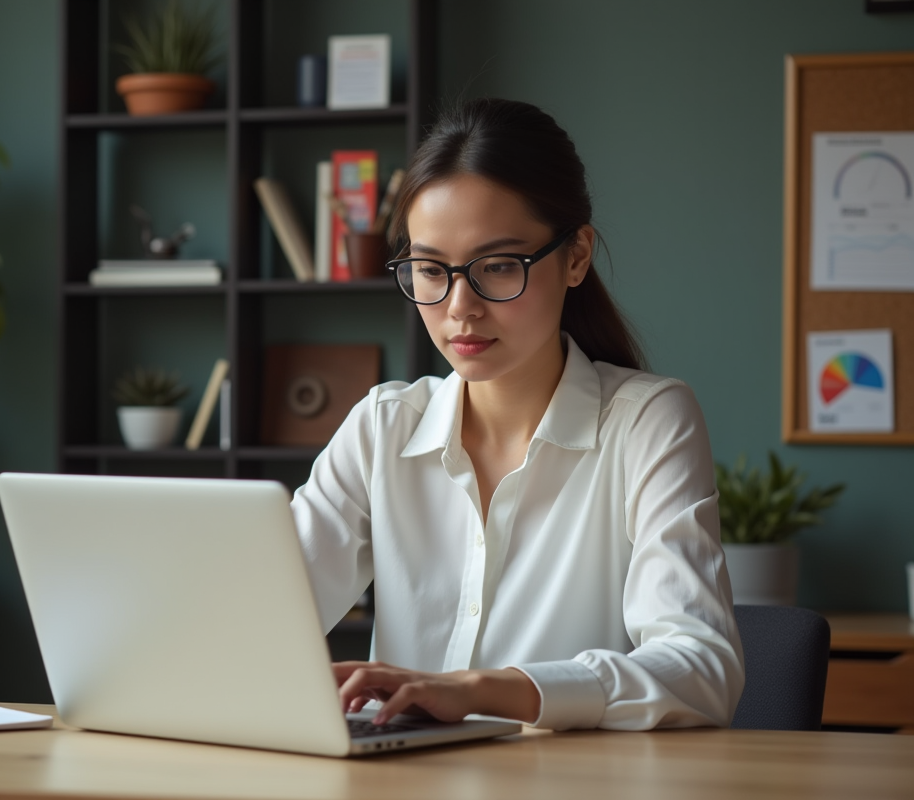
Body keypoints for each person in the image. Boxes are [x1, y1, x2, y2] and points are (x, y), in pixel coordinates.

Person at [291, 98, 744, 731]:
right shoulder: (383, 426)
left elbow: (700, 669)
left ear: (576, 256)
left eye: (499, 266)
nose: (460, 308)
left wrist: (481, 690)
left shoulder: (647, 422)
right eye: (430, 270)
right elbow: (259, 621)